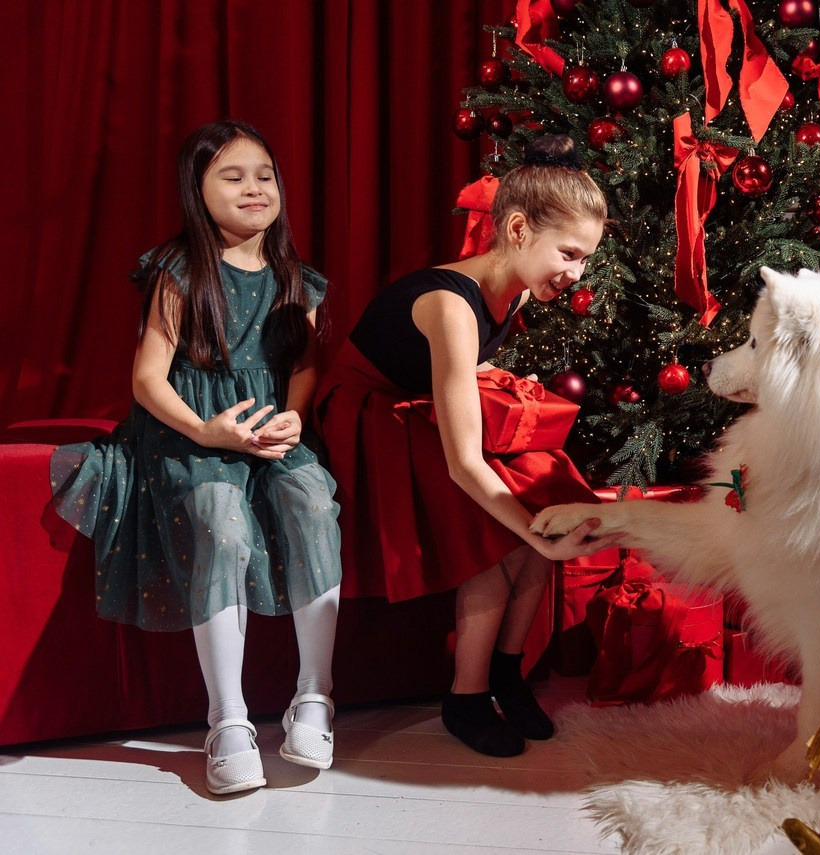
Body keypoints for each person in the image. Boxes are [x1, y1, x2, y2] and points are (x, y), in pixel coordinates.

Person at [49, 120, 343, 796]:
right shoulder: (181, 271)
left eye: (264, 175)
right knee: (221, 517)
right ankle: (229, 718)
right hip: (191, 433)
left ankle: (314, 695)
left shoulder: (294, 276)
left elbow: (303, 363)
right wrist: (208, 434)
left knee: (311, 501)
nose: (253, 188)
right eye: (232, 177)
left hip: (266, 429)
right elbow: (148, 378)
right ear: (197, 189)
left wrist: (295, 412)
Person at [315, 134, 619, 757]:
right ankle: (467, 693)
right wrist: (527, 532)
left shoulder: (514, 292)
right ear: (514, 229)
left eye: (585, 258)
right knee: (500, 534)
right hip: (367, 418)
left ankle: (508, 667)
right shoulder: (452, 307)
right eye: (568, 253)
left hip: (415, 404)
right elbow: (462, 464)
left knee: (542, 498)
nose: (576, 272)